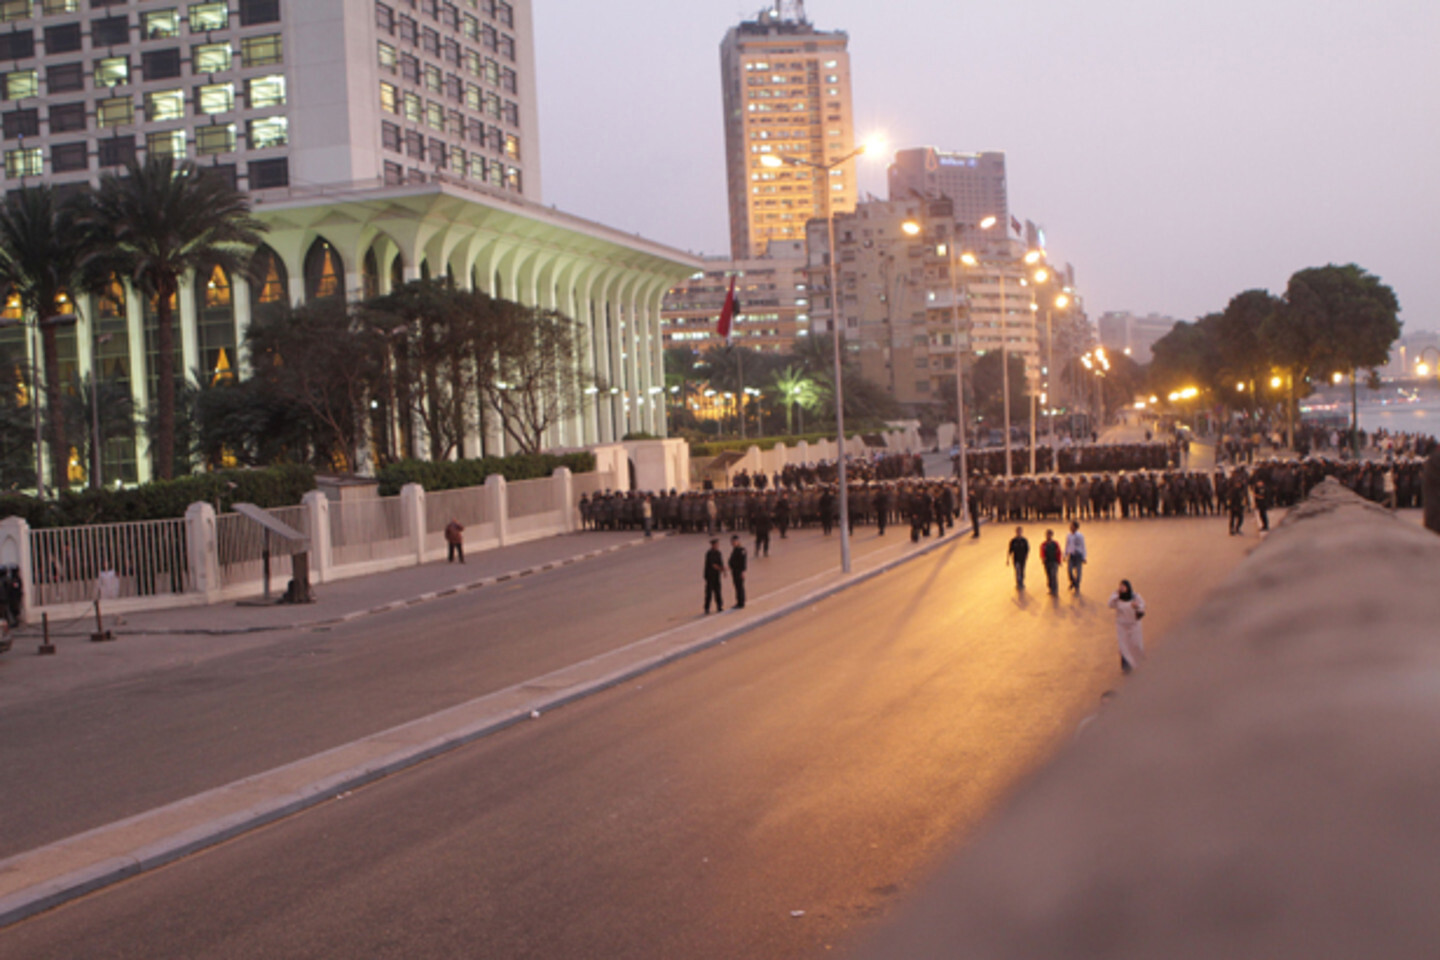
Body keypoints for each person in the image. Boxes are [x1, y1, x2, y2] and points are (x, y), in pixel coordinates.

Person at [1108, 579, 1147, 673]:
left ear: (1128, 587)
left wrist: (1136, 606)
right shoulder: (1117, 598)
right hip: (1122, 625)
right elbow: (1110, 604)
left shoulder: (1135, 596)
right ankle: (1126, 666)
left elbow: (1142, 606)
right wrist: (1116, 595)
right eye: (1120, 586)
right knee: (1123, 646)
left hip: (1134, 624)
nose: (1121, 588)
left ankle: (1138, 660)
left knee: (1136, 644)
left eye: (1123, 586)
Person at [703, 538, 726, 614]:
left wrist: (723, 571)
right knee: (709, 592)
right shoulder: (709, 553)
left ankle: (719, 606)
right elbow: (713, 565)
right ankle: (707, 608)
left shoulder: (718, 553)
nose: (717, 546)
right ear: (712, 545)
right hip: (710, 576)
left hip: (716, 575)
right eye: (715, 544)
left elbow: (721, 563)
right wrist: (721, 569)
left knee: (718, 591)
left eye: (717, 544)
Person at [1064, 520, 1087, 592]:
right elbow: (1067, 545)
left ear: (1076, 527)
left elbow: (1083, 546)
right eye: (1070, 526)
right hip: (1071, 554)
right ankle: (1073, 581)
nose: (1070, 527)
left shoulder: (1080, 536)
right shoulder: (1068, 535)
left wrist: (1084, 557)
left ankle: (1077, 584)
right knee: (1069, 570)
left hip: (1078, 554)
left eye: (1072, 526)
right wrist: (1065, 555)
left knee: (1078, 571)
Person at [1006, 526, 1029, 591]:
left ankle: (1022, 582)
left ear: (1022, 532)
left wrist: (1026, 555)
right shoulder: (1013, 541)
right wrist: (1007, 559)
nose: (1019, 533)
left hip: (1022, 559)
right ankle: (1018, 583)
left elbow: (1027, 549)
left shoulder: (1024, 541)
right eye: (1018, 531)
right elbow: (1010, 550)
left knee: (1022, 571)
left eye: (1020, 531)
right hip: (1016, 559)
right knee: (1017, 570)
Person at [728, 534, 748, 609]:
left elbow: (743, 562)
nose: (733, 543)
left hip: (739, 571)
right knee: (737, 586)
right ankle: (739, 601)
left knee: (739, 586)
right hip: (734, 571)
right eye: (732, 542)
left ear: (738, 541)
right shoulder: (735, 550)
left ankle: (741, 602)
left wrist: (743, 571)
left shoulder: (741, 550)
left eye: (734, 541)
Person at [1040, 529, 1062, 596]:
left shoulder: (1055, 544)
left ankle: (1055, 590)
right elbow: (1042, 552)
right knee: (1049, 576)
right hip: (1047, 562)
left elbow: (1059, 552)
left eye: (1049, 534)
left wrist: (1059, 561)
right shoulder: (1043, 544)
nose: (1048, 536)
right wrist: (1043, 558)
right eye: (1047, 534)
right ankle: (1050, 588)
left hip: (1054, 562)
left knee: (1053, 575)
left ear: (1052, 535)